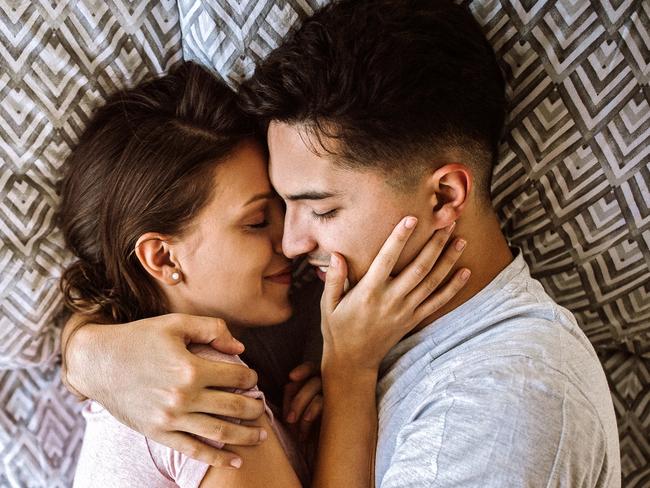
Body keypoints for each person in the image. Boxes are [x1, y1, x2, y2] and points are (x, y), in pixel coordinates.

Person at [63, 0, 621, 486]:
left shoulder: (507, 399)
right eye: (274, 212)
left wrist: (347, 377)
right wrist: (95, 356)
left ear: (445, 196)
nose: (293, 242)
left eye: (323, 208)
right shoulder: (321, 314)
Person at [58, 61, 468, 487]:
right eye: (256, 222)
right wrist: (350, 373)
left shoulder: (159, 380)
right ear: (162, 259)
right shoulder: (195, 389)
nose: (290, 242)